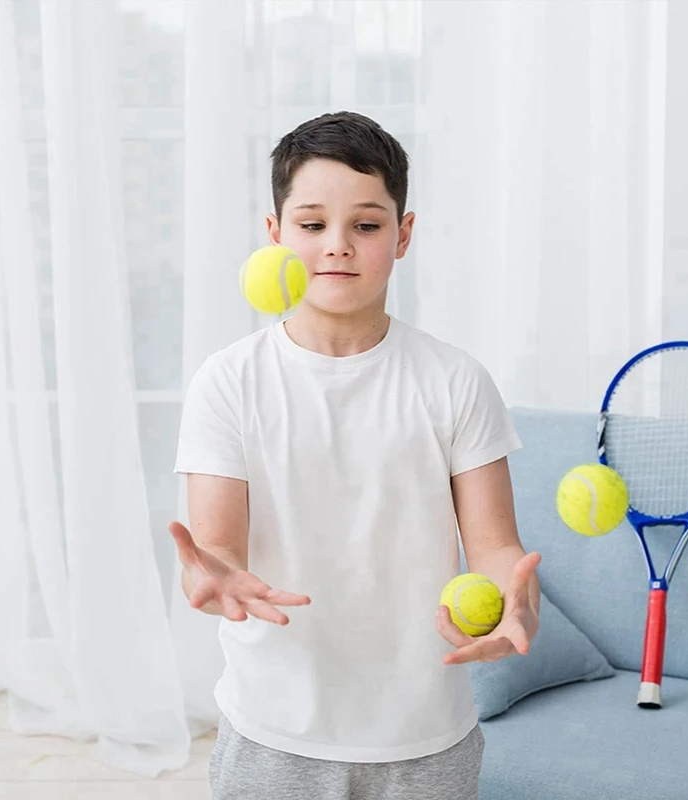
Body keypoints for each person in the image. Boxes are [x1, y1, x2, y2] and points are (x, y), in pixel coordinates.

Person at [169, 111, 541, 800]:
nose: (336, 246)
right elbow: (219, 546)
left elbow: (495, 547)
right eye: (312, 225)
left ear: (403, 235)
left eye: (366, 226)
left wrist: (516, 602)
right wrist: (216, 577)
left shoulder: (455, 380)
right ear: (275, 234)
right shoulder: (228, 381)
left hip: (426, 735)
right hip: (272, 729)